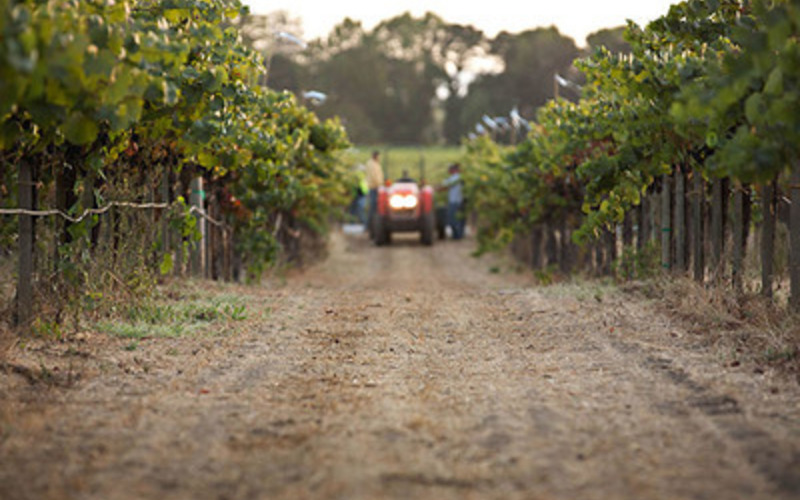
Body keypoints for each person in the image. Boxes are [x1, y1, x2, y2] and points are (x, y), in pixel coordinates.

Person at [441, 163, 465, 240]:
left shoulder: (455, 178)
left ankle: (457, 235)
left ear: (453, 170)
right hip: (460, 201)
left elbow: (444, 186)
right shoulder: (461, 178)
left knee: (453, 219)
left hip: (454, 201)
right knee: (460, 219)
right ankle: (459, 234)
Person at [365, 150, 383, 238]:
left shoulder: (374, 164)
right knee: (373, 208)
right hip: (374, 188)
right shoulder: (372, 165)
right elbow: (375, 177)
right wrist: (379, 185)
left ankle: (372, 227)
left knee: (374, 208)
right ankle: (370, 227)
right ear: (376, 156)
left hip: (375, 187)